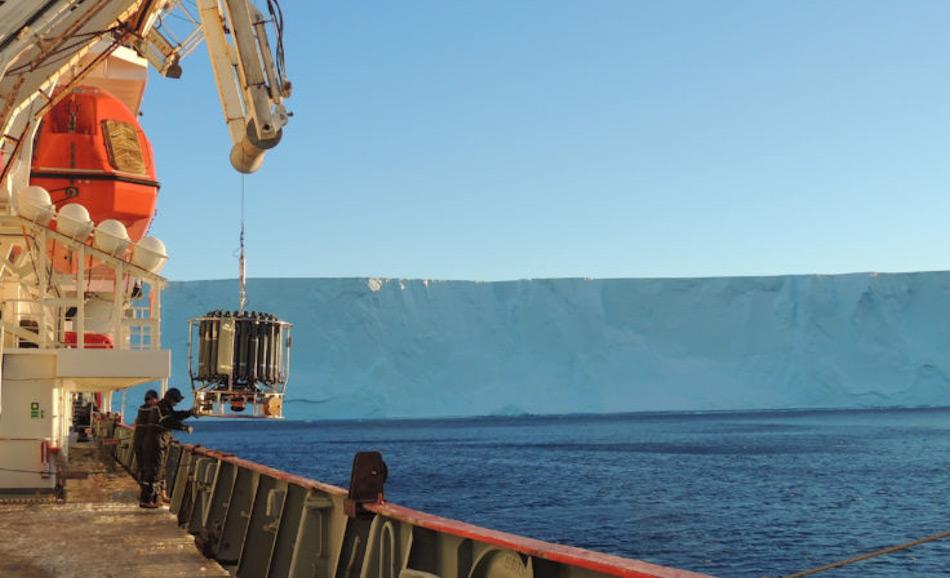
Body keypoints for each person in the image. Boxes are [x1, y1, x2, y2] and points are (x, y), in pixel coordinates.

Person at [133, 387, 197, 508]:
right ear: (171, 399)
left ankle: (155, 497)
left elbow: (174, 415)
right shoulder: (161, 407)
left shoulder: (164, 407)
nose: (176, 403)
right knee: (152, 472)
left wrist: (190, 413)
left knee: (157, 471)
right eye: (176, 401)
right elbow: (167, 421)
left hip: (157, 443)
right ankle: (146, 500)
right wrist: (183, 428)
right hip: (154, 444)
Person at [132, 389, 161, 508]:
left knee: (143, 470)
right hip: (146, 445)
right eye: (155, 399)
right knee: (150, 472)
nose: (156, 401)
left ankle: (149, 496)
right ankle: (146, 499)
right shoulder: (150, 410)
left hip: (139, 444)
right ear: (151, 399)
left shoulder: (141, 409)